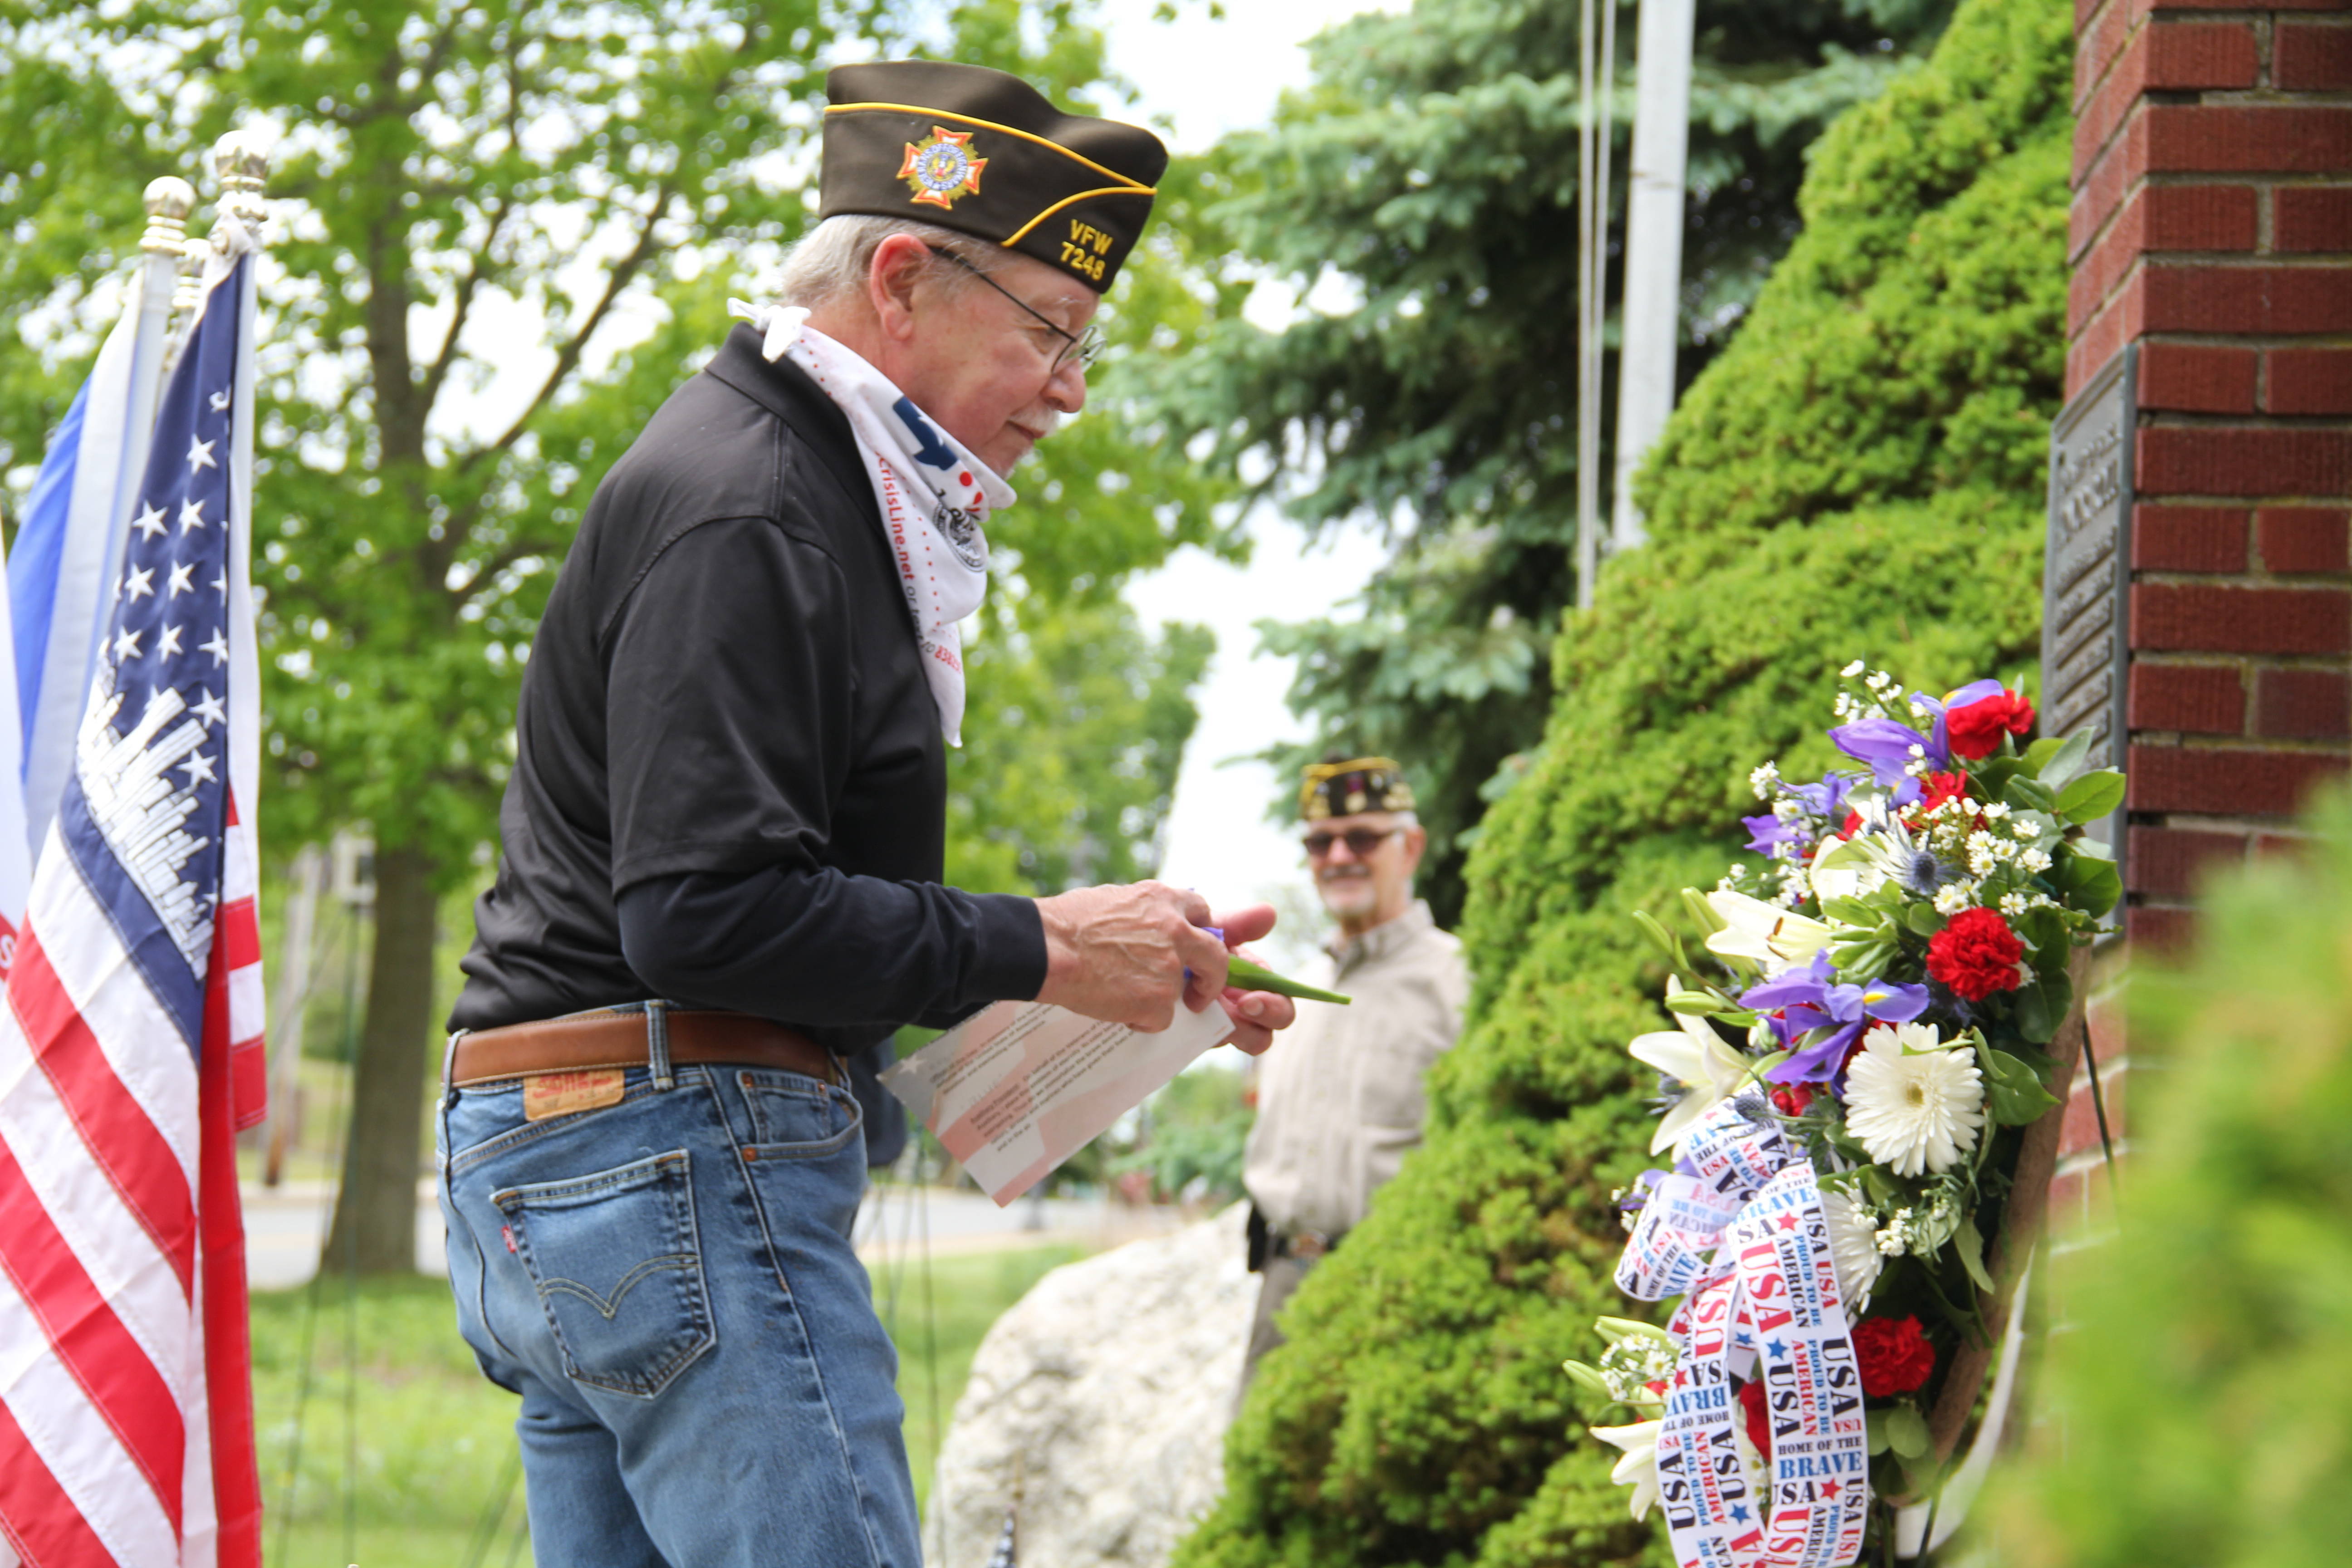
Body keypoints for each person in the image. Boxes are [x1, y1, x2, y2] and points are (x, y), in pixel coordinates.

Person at [432, 60, 1296, 1568]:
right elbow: (703, 912)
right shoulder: (760, 501)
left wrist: (1109, 972)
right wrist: (1038, 938)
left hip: (593, 1160)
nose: (1073, 391)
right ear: (903, 275)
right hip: (673, 1148)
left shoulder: (773, 476)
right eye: (1053, 332)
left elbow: (751, 906)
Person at [1237, 757, 1468, 1392]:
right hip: (1281, 1288)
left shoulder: (1461, 982)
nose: (1339, 855)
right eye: (1320, 841)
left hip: (1398, 1290)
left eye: (1363, 837)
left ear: (1411, 846)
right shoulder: (1292, 991)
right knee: (1260, 1484)